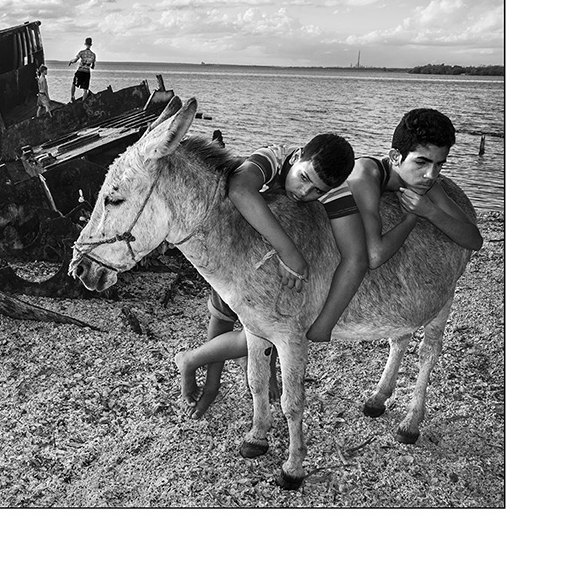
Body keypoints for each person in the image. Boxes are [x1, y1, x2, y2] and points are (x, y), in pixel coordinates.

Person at [175, 135, 368, 417]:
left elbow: (356, 256)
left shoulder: (333, 190)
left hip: (274, 274)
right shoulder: (275, 157)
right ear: (299, 154)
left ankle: (264, 371)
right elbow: (239, 189)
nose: (304, 192)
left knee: (274, 326)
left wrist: (326, 322)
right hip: (234, 256)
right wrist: (290, 253)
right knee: (223, 317)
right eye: (303, 178)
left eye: (317, 191)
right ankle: (203, 375)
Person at [348, 108, 482, 269]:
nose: (431, 175)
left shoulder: (425, 183)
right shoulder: (365, 174)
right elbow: (374, 256)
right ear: (395, 157)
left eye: (439, 164)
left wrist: (430, 211)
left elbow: (475, 240)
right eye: (421, 163)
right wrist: (410, 220)